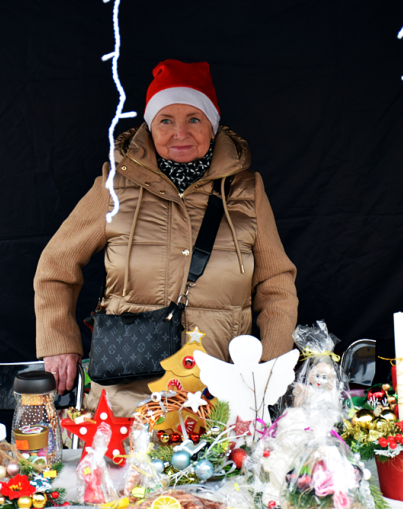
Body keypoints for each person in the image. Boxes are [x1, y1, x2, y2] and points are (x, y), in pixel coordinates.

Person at [34, 59, 298, 417]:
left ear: (213, 126)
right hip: (128, 400)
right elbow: (56, 265)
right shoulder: (114, 187)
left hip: (223, 396)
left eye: (194, 119)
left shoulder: (246, 192)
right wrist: (59, 341)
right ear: (149, 126)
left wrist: (270, 366)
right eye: (166, 120)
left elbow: (276, 283)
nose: (180, 133)